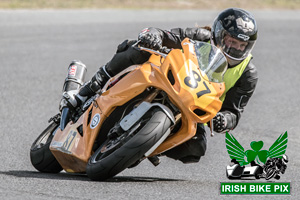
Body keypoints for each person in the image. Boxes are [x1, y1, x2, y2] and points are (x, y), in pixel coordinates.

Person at [60, 8, 258, 164]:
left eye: (243, 46)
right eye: (232, 42)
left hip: (192, 106)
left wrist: (225, 120)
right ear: (219, 35)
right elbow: (167, 35)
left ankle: (145, 146)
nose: (236, 49)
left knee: (195, 150)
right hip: (166, 80)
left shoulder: (248, 73)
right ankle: (90, 88)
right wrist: (153, 35)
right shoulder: (200, 37)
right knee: (140, 48)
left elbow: (234, 111)